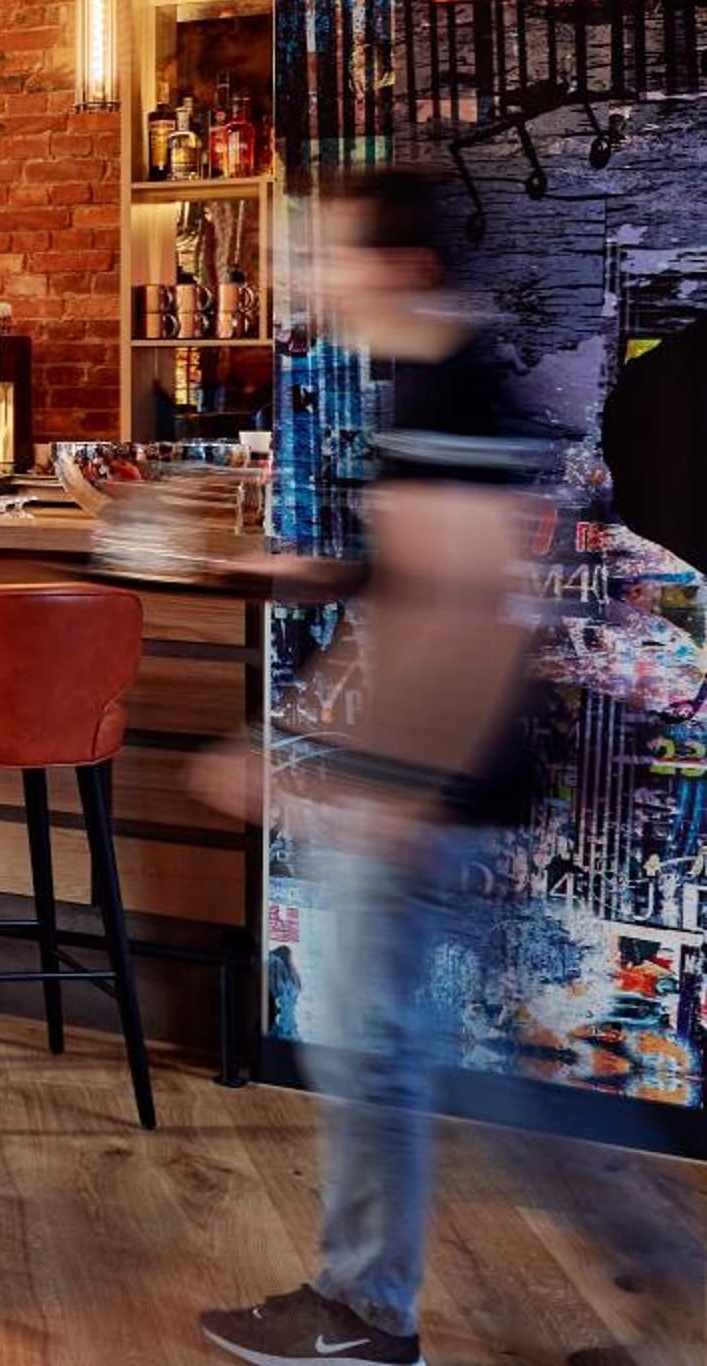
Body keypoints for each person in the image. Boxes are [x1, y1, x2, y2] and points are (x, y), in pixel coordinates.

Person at [201, 167, 558, 1366]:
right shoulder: (431, 387)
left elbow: (465, 614)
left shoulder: (452, 389)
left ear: (406, 267)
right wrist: (317, 579)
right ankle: (376, 1302)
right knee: (423, 1062)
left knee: (378, 1049)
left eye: (330, 252)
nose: (307, 274)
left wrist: (376, 780)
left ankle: (364, 1311)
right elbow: (425, 579)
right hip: (429, 774)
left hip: (428, 780)